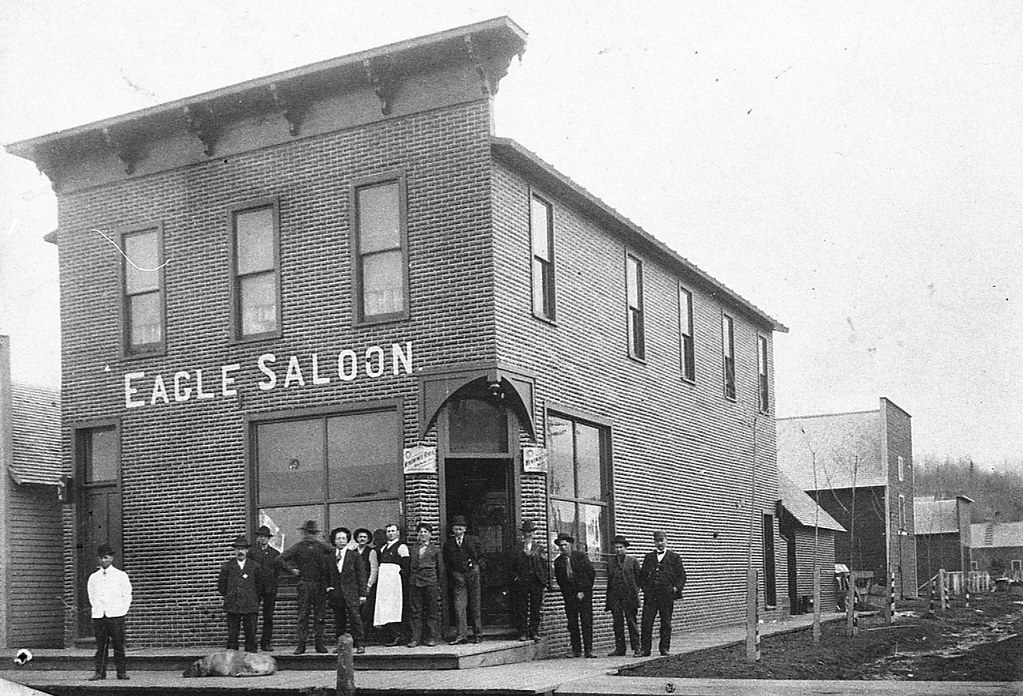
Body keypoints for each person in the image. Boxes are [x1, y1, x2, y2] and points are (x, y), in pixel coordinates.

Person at [280, 519, 333, 654]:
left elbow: (336, 555)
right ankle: (302, 644)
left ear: (315, 534)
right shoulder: (297, 547)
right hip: (304, 584)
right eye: (308, 533)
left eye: (312, 533)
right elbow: (280, 559)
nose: (310, 536)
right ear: (304, 533)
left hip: (320, 584)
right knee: (303, 615)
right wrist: (292, 570)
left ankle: (319, 644)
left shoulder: (323, 547)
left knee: (320, 615)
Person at [86, 543, 132, 681]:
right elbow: (92, 596)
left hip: (116, 616)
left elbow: (127, 595)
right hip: (100, 616)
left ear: (111, 558)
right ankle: (100, 672)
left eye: (105, 557)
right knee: (101, 646)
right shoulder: (94, 577)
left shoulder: (120, 575)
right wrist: (99, 609)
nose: (103, 561)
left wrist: (121, 611)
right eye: (100, 558)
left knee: (118, 645)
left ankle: (121, 672)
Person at [639, 530, 687, 656]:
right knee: (646, 622)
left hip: (666, 595)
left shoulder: (674, 557)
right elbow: (642, 576)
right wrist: (645, 588)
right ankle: (645, 649)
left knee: (666, 622)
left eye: (661, 540)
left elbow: (682, 576)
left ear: (666, 540)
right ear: (654, 542)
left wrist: (675, 589)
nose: (659, 543)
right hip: (651, 596)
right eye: (657, 541)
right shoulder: (648, 557)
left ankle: (664, 648)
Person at [326, 527, 368, 654]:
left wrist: (362, 594)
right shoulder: (329, 557)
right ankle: (341, 645)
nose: (341, 541)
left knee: (355, 618)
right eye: (338, 538)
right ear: (334, 541)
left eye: (343, 538)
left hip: (351, 592)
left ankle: (360, 644)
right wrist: (328, 587)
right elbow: (325, 575)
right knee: (339, 620)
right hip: (336, 593)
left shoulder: (354, 556)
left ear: (348, 540)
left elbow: (361, 575)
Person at [442, 515, 483, 645]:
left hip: (473, 575)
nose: (458, 532)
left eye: (460, 529)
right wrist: (454, 574)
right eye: (455, 529)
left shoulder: (473, 541)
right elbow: (446, 563)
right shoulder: (448, 545)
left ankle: (478, 634)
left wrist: (476, 568)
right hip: (458, 578)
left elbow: (483, 557)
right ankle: (461, 635)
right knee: (459, 606)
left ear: (465, 529)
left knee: (475, 605)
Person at [553, 532, 596, 657]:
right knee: (572, 623)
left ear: (571, 545)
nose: (563, 548)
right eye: (560, 546)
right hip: (570, 596)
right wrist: (569, 594)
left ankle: (589, 650)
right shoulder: (558, 562)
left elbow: (590, 573)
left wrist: (583, 591)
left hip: (584, 595)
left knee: (586, 621)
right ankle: (576, 650)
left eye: (565, 545)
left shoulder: (581, 556)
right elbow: (561, 581)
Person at [218, 534, 262, 653]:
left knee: (251, 635)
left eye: (242, 549)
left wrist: (254, 600)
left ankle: (252, 662)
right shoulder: (227, 566)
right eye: (238, 549)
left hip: (250, 605)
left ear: (247, 550)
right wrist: (231, 596)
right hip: (233, 605)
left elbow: (259, 586)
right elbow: (221, 586)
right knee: (232, 635)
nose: (240, 551)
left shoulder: (254, 566)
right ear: (234, 550)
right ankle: (232, 663)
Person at [509, 520, 547, 642]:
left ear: (533, 533)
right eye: (526, 532)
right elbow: (510, 566)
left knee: (536, 608)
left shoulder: (539, 548)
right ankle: (523, 632)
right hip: (522, 582)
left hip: (536, 582)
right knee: (522, 608)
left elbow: (544, 565)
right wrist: (516, 577)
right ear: (523, 534)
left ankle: (534, 631)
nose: (528, 534)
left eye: (530, 532)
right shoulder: (516, 549)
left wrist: (543, 580)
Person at [407, 522, 443, 647]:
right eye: (420, 532)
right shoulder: (412, 548)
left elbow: (440, 568)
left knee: (432, 611)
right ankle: (415, 638)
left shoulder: (435, 549)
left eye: (425, 532)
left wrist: (438, 584)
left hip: (430, 582)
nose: (422, 534)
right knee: (415, 611)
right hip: (415, 583)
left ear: (430, 535)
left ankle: (431, 637)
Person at [374, 522, 410, 646]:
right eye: (388, 531)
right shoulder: (383, 548)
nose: (390, 533)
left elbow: (405, 567)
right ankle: (392, 634)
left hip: (395, 582)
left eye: (393, 531)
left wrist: (399, 578)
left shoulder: (401, 547)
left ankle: (399, 635)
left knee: (395, 607)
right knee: (385, 607)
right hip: (384, 582)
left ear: (398, 533)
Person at [604, 534, 641, 656]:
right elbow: (610, 580)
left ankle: (637, 647)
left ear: (625, 548)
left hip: (629, 596)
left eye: (621, 547)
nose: (618, 549)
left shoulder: (633, 561)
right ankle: (620, 648)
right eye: (616, 547)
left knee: (631, 622)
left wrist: (635, 592)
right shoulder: (610, 562)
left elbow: (639, 579)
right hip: (615, 597)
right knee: (617, 623)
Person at [250, 525, 281, 651]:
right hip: (255, 588)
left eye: (265, 537)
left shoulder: (275, 553)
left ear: (269, 539)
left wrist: (272, 584)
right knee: (253, 616)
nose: (263, 539)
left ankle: (266, 643)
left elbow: (277, 572)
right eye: (261, 536)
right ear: (257, 538)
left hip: (269, 589)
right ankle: (252, 643)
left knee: (268, 617)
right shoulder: (252, 552)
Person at [353, 528, 379, 643]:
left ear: (368, 539)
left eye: (364, 537)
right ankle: (357, 637)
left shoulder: (371, 552)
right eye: (360, 537)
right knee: (356, 612)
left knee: (366, 612)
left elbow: (374, 569)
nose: (362, 539)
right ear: (357, 539)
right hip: (355, 586)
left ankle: (365, 638)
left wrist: (369, 585)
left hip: (367, 586)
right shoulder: (352, 552)